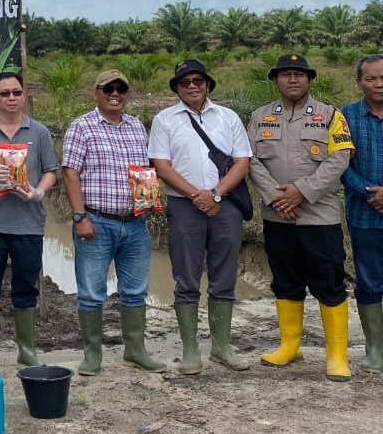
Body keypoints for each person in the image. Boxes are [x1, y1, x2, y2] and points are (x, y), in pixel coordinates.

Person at [249, 54, 355, 381]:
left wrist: (301, 192)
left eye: (299, 74)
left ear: (309, 79)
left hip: (319, 216)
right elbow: (250, 160)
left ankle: (336, 355)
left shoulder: (330, 115)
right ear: (276, 80)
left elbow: (340, 159)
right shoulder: (259, 116)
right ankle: (289, 346)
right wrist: (278, 197)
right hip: (277, 214)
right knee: (286, 280)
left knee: (329, 282)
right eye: (285, 74)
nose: (292, 80)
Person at [148, 59, 251, 374]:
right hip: (184, 207)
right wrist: (198, 195)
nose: (191, 86)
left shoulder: (228, 117)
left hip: (226, 205)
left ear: (208, 84)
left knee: (224, 276)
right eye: (184, 82)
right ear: (177, 87)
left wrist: (216, 194)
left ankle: (221, 346)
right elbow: (161, 166)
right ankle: (191, 349)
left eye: (197, 80)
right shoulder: (164, 120)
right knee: (186, 278)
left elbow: (242, 162)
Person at [61, 69, 166, 375]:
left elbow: (145, 170)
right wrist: (80, 217)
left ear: (128, 94)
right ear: (97, 92)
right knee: (92, 292)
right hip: (96, 221)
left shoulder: (136, 127)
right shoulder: (82, 127)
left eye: (121, 88)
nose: (115, 93)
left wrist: (149, 200)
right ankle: (92, 354)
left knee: (135, 291)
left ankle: (135, 350)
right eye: (108, 88)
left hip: (134, 223)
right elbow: (70, 172)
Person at [0, 71, 58, 366]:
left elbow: (50, 172)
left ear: (23, 95)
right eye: (4, 93)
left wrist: (38, 193)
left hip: (29, 223)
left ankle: (26, 349)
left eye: (16, 92)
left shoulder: (39, 132)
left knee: (25, 287)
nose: (11, 98)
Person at [341, 54, 383, 373]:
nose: (378, 84)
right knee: (369, 281)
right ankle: (374, 348)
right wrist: (371, 193)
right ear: (359, 82)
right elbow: (341, 164)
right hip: (364, 213)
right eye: (371, 78)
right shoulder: (346, 117)